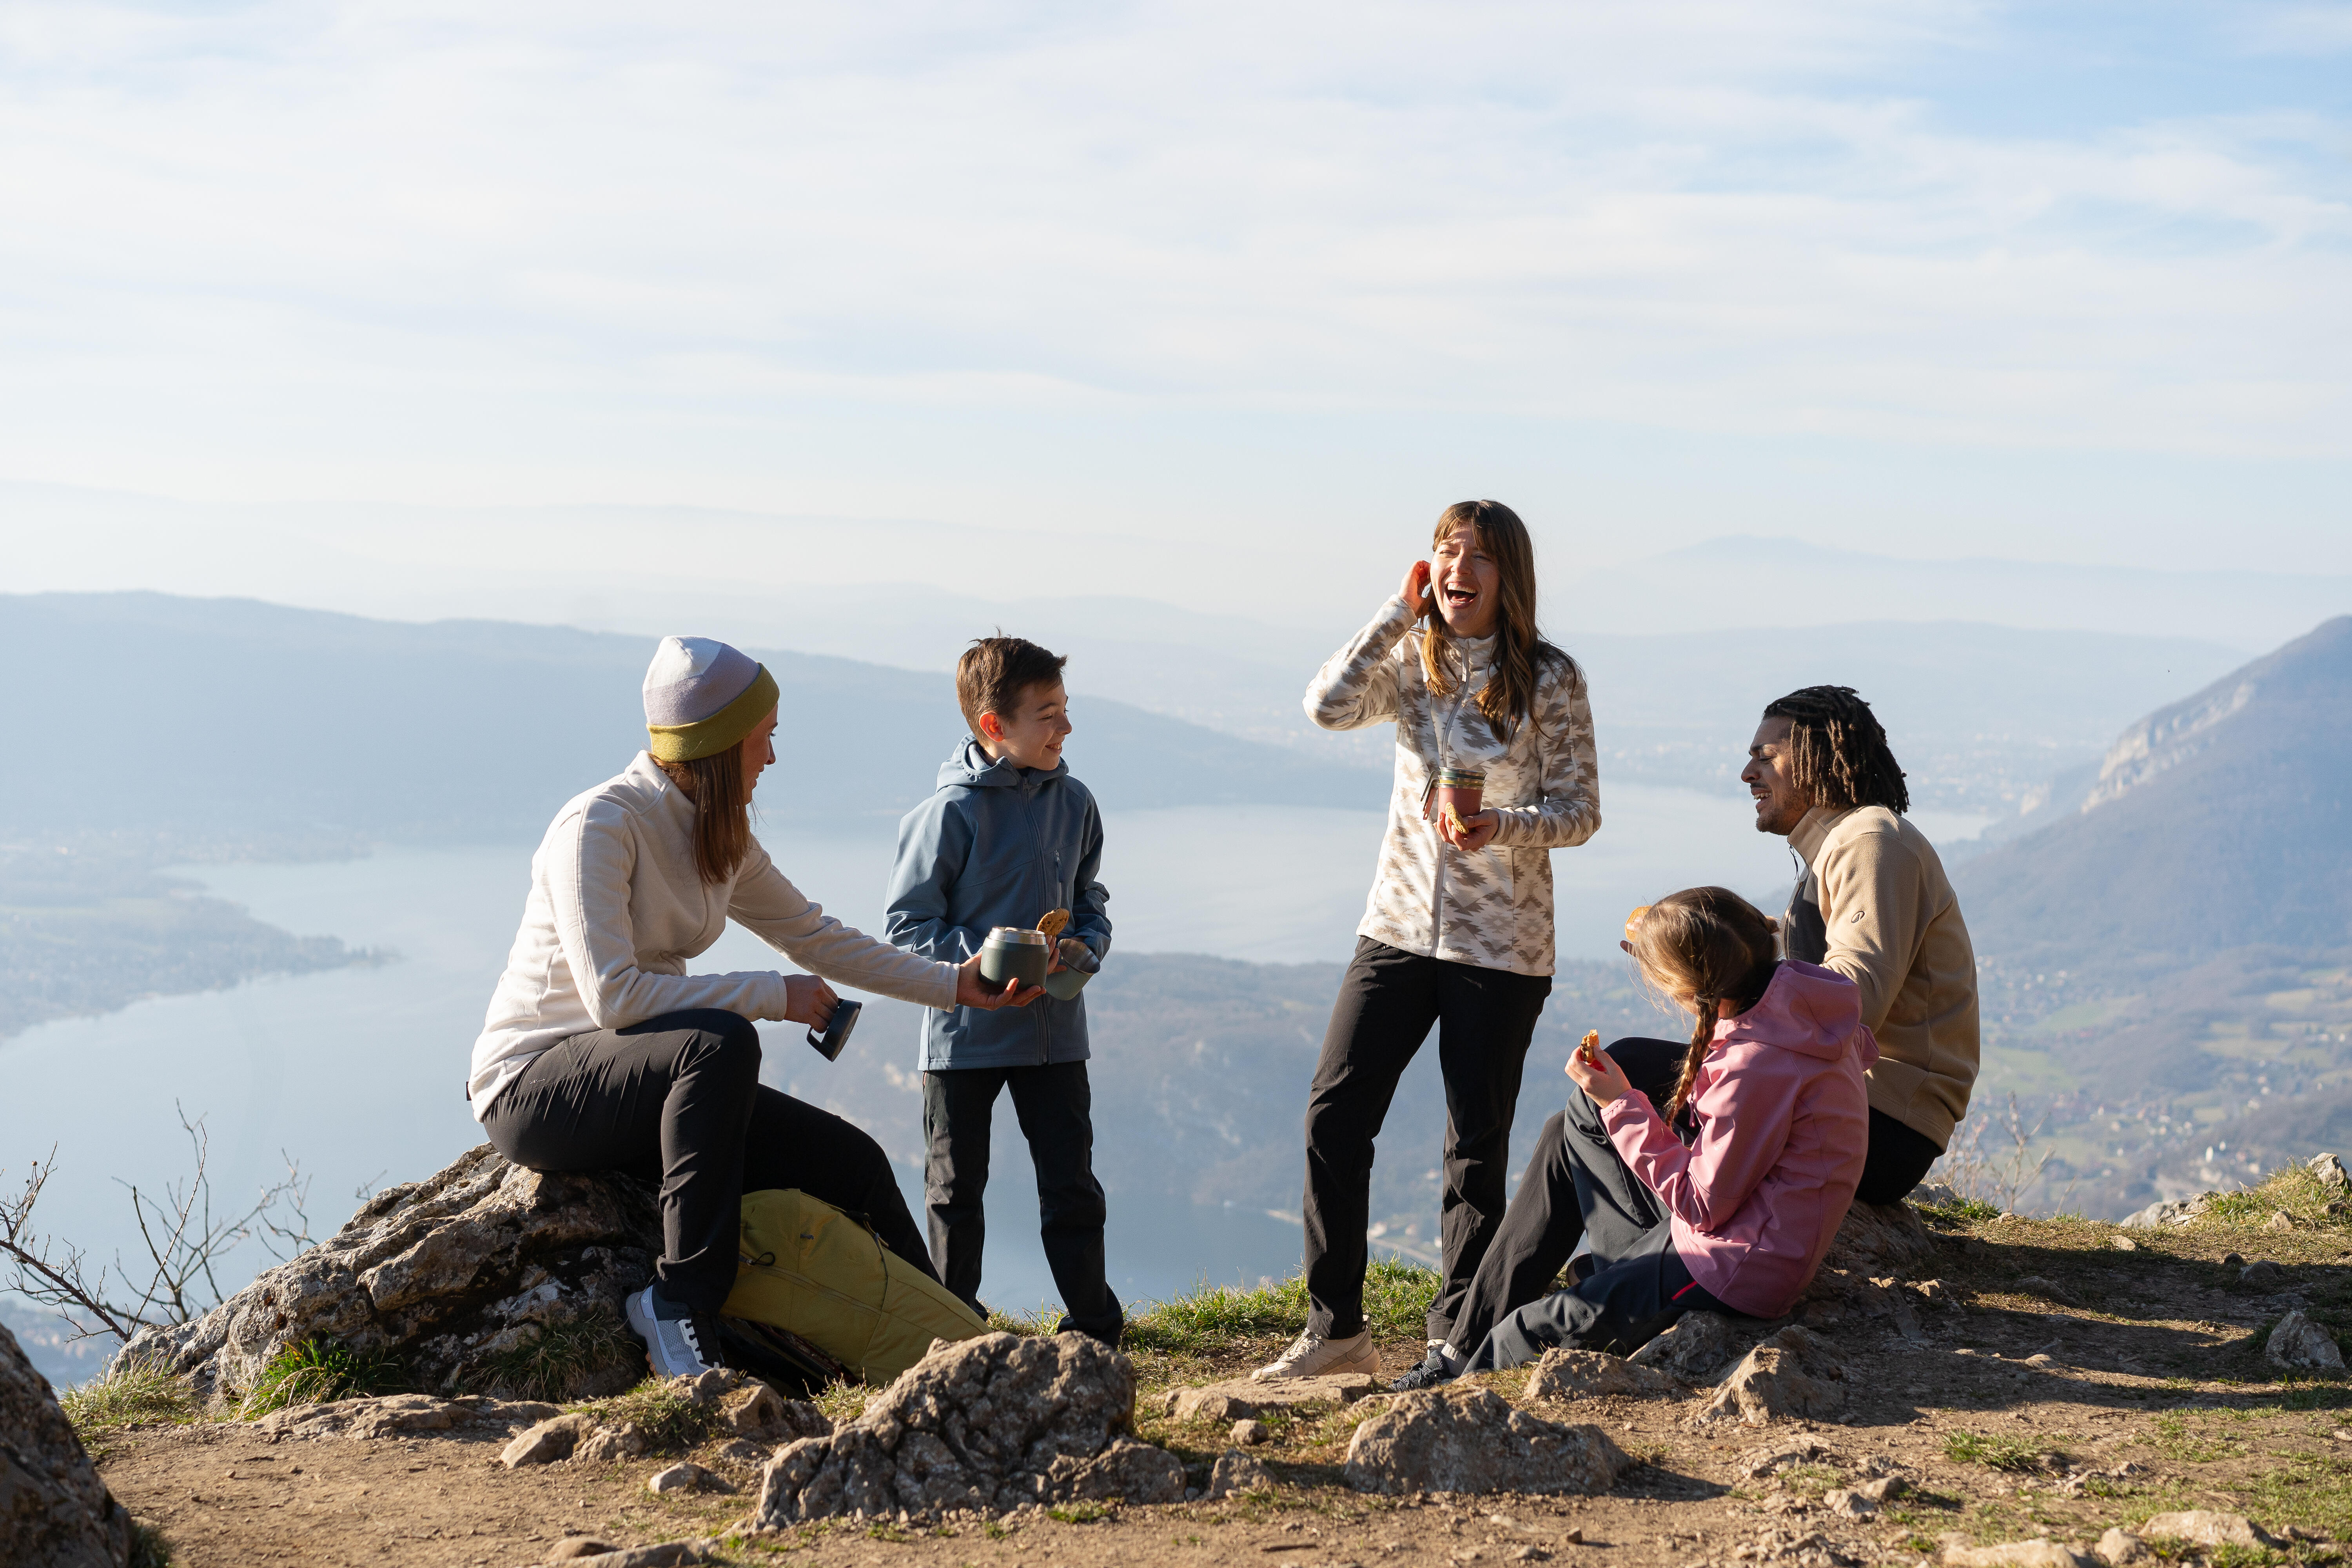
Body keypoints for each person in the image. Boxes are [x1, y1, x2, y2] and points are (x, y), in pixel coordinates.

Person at [470, 635, 1040, 1381]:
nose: (770, 758)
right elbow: (615, 998)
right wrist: (771, 996)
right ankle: (678, 1304)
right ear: (714, 745)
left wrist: (953, 983)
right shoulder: (601, 824)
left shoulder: (716, 835)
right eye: (761, 740)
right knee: (720, 1042)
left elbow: (814, 936)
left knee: (853, 1165)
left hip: (646, 1085)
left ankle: (960, 1348)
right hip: (536, 1087)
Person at [1258, 500, 1601, 1382]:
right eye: (1447, 550)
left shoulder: (1551, 679)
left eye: (1479, 555)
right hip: (1398, 927)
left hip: (1503, 947)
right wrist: (1392, 614)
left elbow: (1581, 811)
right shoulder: (1415, 659)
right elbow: (1326, 707)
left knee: (1474, 1145)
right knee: (1334, 1112)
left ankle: (1459, 1335)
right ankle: (1337, 1328)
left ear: (1509, 575)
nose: (1459, 567)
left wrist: (1502, 825)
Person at [1396, 887, 1875, 1386]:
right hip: (1736, 1233)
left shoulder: (1757, 1063)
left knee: (1523, 1333)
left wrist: (1620, 1102)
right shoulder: (1797, 1009)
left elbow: (1703, 1203)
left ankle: (1458, 1391)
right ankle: (1458, 1351)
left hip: (1731, 1267)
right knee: (1564, 1131)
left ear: (1694, 986)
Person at [885, 636, 1122, 1344]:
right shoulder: (946, 815)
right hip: (965, 1038)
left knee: (1072, 1187)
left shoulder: (1075, 802)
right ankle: (952, 1334)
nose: (1066, 728)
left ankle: (1095, 1330)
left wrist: (1089, 943)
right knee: (955, 1195)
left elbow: (1090, 898)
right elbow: (905, 929)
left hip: (1055, 1036)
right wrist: (991, 959)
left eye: (1065, 710)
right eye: (1047, 714)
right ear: (995, 726)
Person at [1742, 685, 1979, 1204]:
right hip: (1848, 1105)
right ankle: (1628, 1275)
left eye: (1765, 757)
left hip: (1882, 1123)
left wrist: (1733, 976)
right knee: (1606, 1106)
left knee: (1632, 1089)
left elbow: (1852, 998)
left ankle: (1637, 1281)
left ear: (1815, 757)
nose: (1747, 774)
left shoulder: (1871, 841)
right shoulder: (1834, 850)